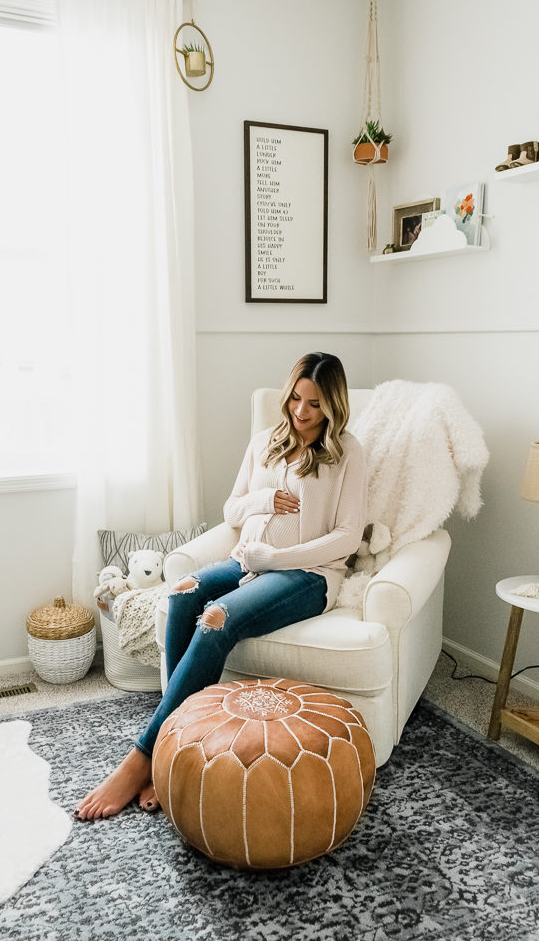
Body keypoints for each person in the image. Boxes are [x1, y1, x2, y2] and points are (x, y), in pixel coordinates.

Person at [74, 352, 367, 821]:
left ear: (333, 404)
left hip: (308, 576)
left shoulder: (347, 452)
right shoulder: (266, 442)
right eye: (295, 398)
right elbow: (232, 510)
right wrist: (265, 499)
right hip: (246, 561)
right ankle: (172, 747)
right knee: (182, 592)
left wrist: (276, 558)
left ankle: (142, 758)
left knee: (217, 619)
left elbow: (348, 536)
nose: (301, 411)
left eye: (314, 403)